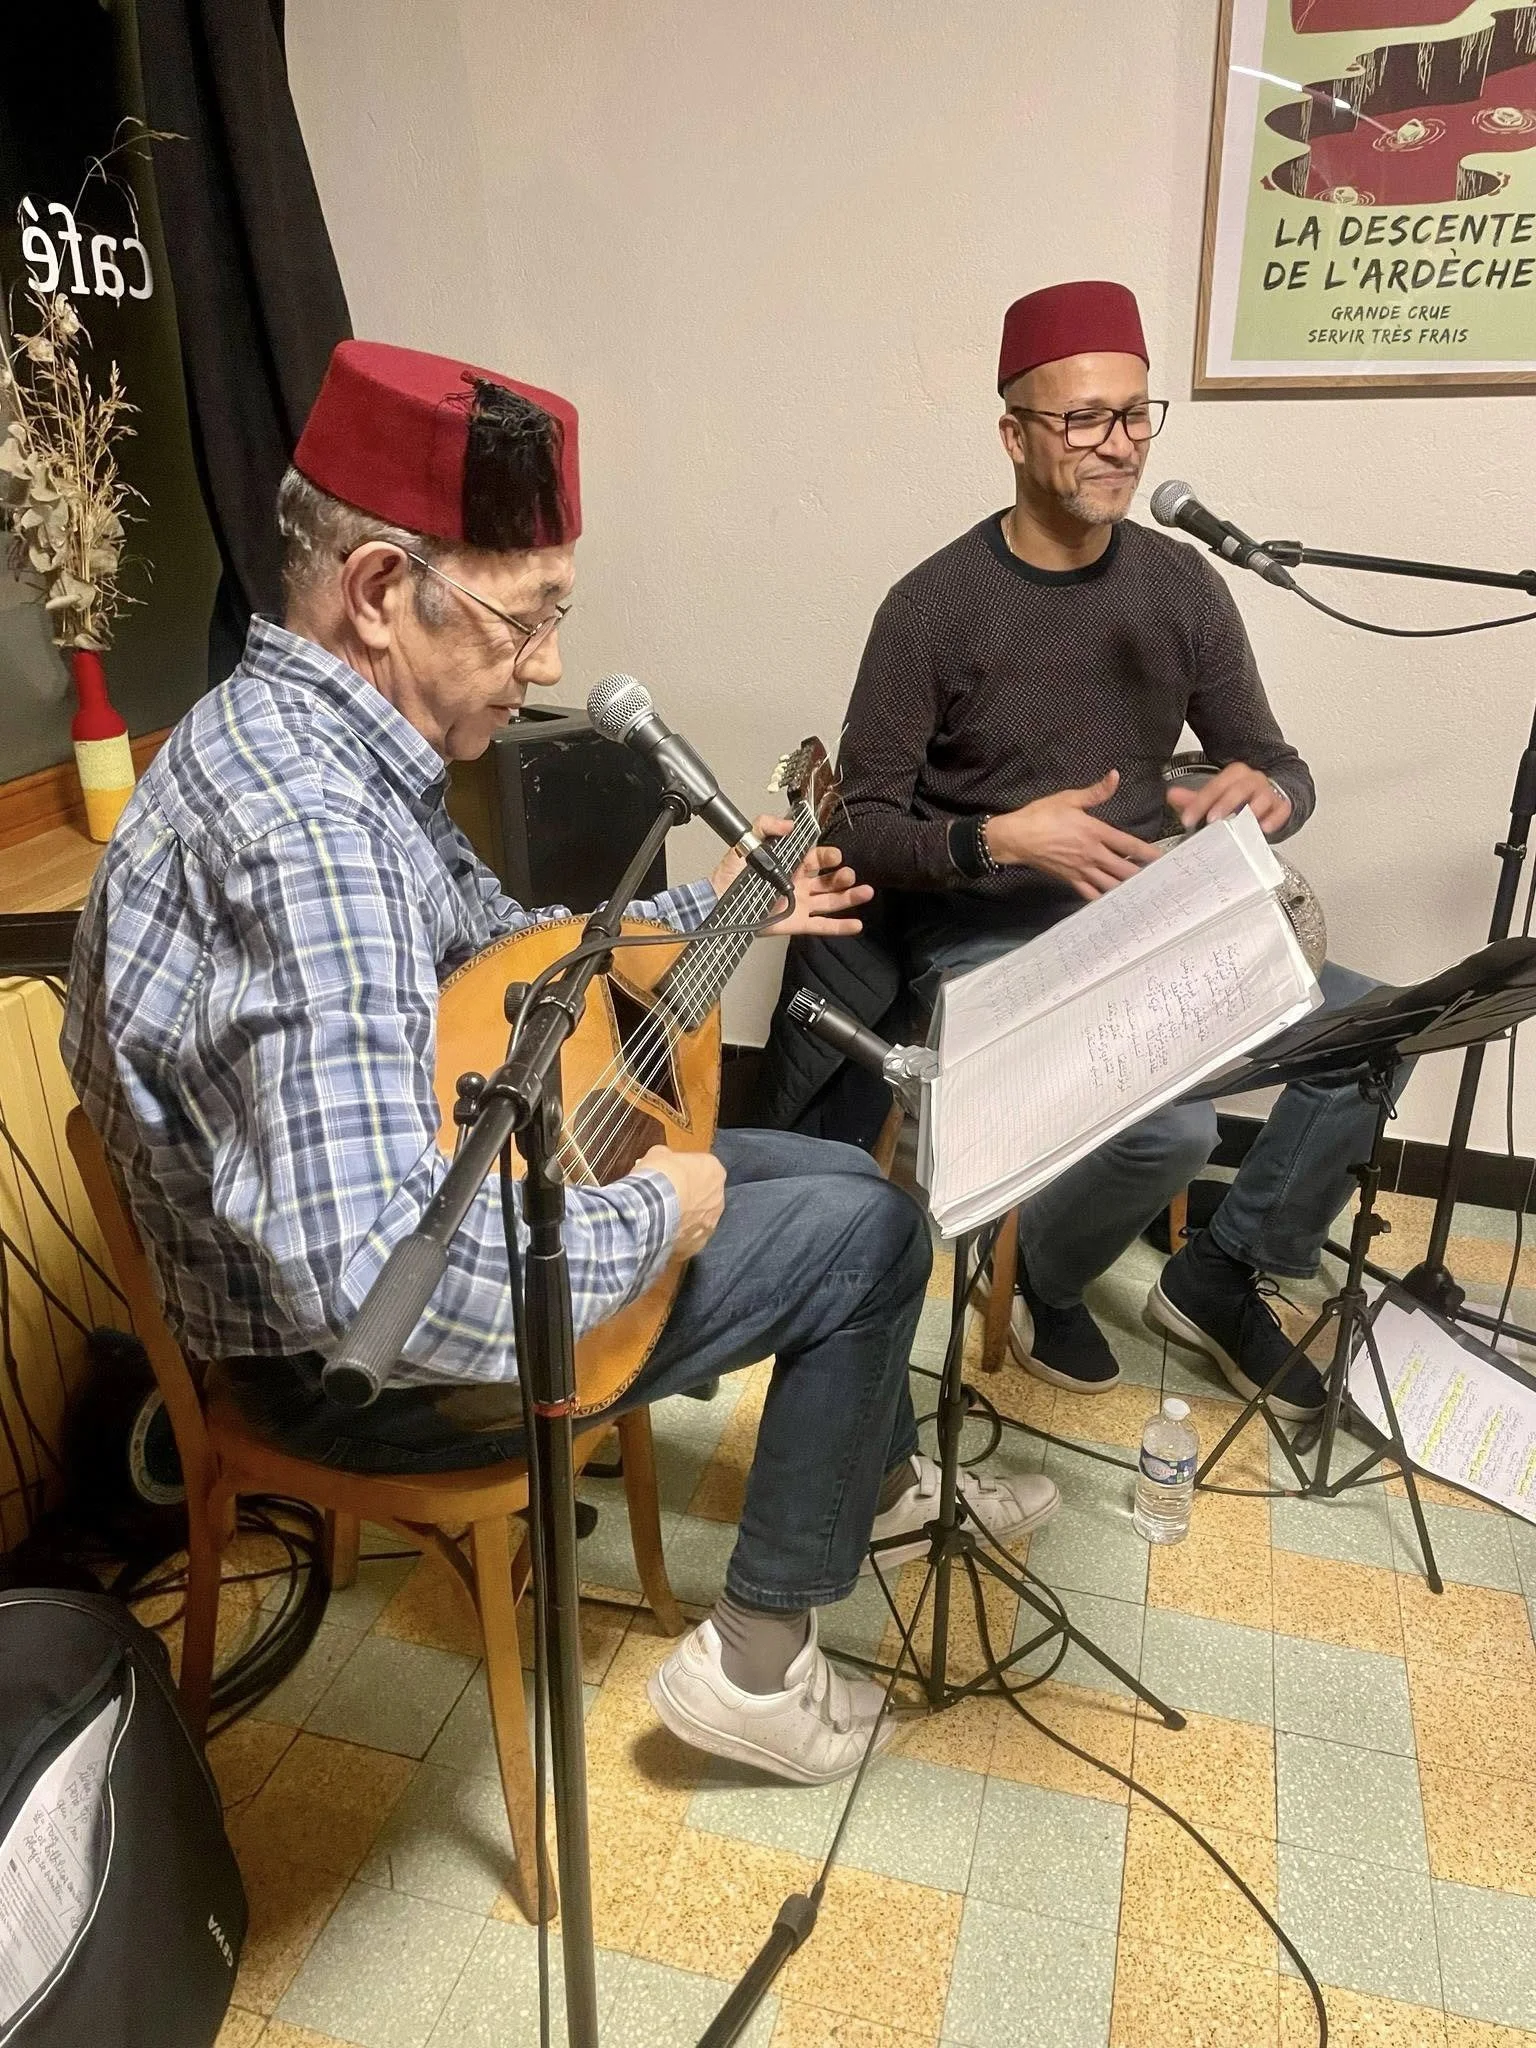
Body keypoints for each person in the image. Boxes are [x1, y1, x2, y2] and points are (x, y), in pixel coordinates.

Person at [63, 341, 1057, 1787]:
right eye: (524, 623)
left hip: (393, 1214)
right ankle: (758, 1672)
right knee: (872, 1230)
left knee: (835, 1172)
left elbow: (500, 942)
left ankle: (873, 1481)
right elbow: (375, 1296)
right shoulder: (313, 841)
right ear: (382, 591)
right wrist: (666, 1212)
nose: (547, 668)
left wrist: (705, 910)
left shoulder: (297, 742)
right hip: (339, 1367)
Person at [834, 279, 1392, 1423]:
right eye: (1085, 418)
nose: (1119, 445)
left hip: (1157, 921)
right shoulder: (932, 607)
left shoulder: (1180, 581)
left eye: (1137, 414)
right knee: (1175, 1122)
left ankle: (1220, 1272)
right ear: (1014, 434)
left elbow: (1281, 762)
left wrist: (1269, 795)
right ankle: (1043, 1274)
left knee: (1380, 1029)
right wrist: (996, 836)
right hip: (992, 942)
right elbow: (859, 824)